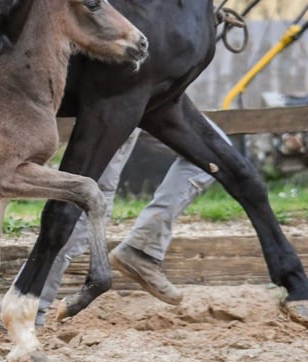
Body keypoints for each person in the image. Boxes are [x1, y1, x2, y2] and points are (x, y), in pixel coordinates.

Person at [31, 116, 231, 327]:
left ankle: (142, 248)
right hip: (117, 103)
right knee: (88, 205)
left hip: (152, 99)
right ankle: (29, 305)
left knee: (213, 149)